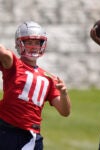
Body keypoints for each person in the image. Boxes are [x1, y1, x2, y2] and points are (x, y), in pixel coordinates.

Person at [0, 21, 71, 150]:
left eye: (37, 43)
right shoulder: (14, 65)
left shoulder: (49, 78)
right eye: (29, 42)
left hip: (30, 135)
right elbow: (4, 54)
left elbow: (64, 111)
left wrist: (64, 93)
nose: (33, 47)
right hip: (5, 130)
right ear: (19, 44)